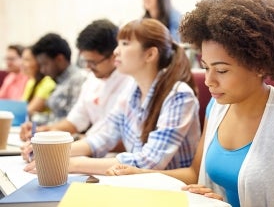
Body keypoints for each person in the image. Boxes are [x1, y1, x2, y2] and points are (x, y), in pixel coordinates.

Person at [105, 0, 274, 207]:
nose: (210, 80)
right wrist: (141, 173)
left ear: (260, 65)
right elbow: (195, 173)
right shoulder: (217, 107)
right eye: (206, 67)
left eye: (221, 70)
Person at [23, 18, 201, 175]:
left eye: (125, 44)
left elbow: (150, 161)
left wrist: (70, 163)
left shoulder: (179, 95)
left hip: (171, 191)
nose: (116, 51)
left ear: (150, 54)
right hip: (138, 185)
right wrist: (53, 151)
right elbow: (104, 136)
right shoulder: (132, 90)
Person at [19, 19, 134, 141]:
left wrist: (80, 140)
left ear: (113, 55)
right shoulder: (92, 80)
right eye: (85, 61)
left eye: (93, 62)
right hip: (93, 146)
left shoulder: (130, 82)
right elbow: (75, 120)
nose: (88, 67)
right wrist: (47, 131)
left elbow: (126, 139)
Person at [29, 33, 86, 122]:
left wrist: (35, 119)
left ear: (60, 59)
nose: (42, 70)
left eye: (45, 64)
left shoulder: (78, 80)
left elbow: (72, 121)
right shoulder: (60, 80)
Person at [21, 47, 56, 117]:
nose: (22, 64)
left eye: (27, 60)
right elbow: (20, 107)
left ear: (38, 62)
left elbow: (28, 110)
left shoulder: (48, 82)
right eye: (22, 59)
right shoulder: (31, 82)